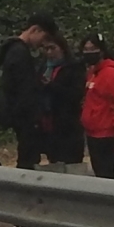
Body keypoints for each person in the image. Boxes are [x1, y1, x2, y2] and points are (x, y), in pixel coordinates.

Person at [0, 18, 50, 170]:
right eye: (43, 37)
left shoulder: (12, 49)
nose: (42, 43)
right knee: (28, 158)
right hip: (24, 116)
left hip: (18, 113)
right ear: (35, 30)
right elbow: (22, 89)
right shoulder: (19, 53)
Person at [80, 40, 114, 179]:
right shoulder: (93, 72)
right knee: (100, 171)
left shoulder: (110, 73)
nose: (88, 53)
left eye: (93, 49)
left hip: (105, 132)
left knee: (106, 172)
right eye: (86, 49)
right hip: (92, 131)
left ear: (101, 51)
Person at [39, 36, 85, 166]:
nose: (49, 53)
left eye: (52, 48)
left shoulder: (73, 68)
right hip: (49, 123)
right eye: (46, 49)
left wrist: (52, 86)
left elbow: (76, 94)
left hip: (68, 125)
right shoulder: (44, 68)